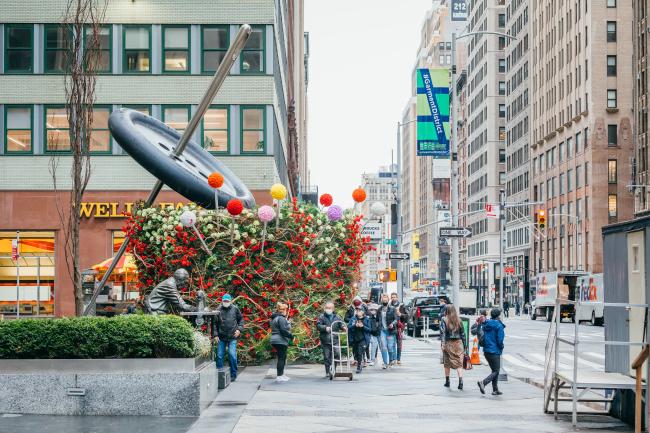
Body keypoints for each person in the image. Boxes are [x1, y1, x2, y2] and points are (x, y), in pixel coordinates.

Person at [212, 294, 244, 381]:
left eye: (227, 301)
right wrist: (215, 335)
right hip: (221, 337)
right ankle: (219, 374)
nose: (226, 302)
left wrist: (239, 330)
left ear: (230, 301)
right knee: (219, 355)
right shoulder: (218, 310)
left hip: (232, 336)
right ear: (222, 301)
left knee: (232, 355)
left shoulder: (235, 309)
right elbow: (214, 324)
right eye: (224, 301)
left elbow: (241, 319)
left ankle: (233, 374)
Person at [477, 308, 506, 396]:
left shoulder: (487, 323)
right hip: (494, 351)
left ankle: (495, 389)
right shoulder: (499, 326)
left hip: (486, 350)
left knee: (494, 370)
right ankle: (483, 383)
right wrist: (501, 347)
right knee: (496, 371)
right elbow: (500, 340)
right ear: (498, 316)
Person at [440, 304, 466, 390]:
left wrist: (443, 344)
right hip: (458, 343)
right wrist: (465, 346)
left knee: (447, 362)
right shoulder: (459, 320)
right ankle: (461, 381)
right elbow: (463, 334)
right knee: (459, 363)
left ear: (446, 311)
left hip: (448, 343)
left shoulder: (444, 319)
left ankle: (447, 381)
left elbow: (443, 333)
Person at [316, 301, 345, 377]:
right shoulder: (322, 317)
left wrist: (343, 327)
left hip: (335, 339)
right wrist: (325, 328)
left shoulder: (337, 317)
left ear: (333, 309)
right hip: (325, 340)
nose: (328, 309)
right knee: (327, 356)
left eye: (330, 308)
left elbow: (341, 324)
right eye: (327, 308)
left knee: (337, 354)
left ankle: (334, 369)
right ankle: (327, 371)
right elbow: (318, 326)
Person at [270, 302, 294, 382]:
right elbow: (283, 330)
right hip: (280, 340)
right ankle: (280, 376)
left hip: (275, 339)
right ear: (283, 310)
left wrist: (288, 323)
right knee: (281, 358)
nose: (286, 311)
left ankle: (281, 374)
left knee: (282, 357)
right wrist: (291, 336)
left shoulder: (275, 318)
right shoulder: (281, 318)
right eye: (286, 310)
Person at [377, 293, 398, 368]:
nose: (384, 300)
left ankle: (391, 360)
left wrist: (392, 324)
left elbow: (396, 319)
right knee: (383, 347)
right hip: (382, 330)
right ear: (381, 300)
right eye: (383, 299)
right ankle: (385, 363)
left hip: (390, 331)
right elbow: (377, 320)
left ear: (388, 300)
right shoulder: (379, 309)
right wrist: (377, 327)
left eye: (386, 299)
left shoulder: (392, 309)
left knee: (390, 347)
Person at [348, 308, 371, 374]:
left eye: (360, 311)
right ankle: (359, 363)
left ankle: (359, 367)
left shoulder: (366, 319)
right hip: (354, 339)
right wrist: (355, 325)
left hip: (363, 339)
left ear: (363, 312)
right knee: (357, 353)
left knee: (360, 352)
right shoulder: (353, 318)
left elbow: (369, 329)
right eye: (357, 311)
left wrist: (362, 326)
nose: (358, 312)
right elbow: (349, 327)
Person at [390, 293, 407, 365]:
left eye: (395, 297)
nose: (393, 298)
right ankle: (393, 359)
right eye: (392, 297)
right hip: (392, 327)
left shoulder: (402, 306)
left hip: (399, 327)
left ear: (397, 297)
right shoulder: (389, 305)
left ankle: (398, 359)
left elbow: (407, 316)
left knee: (399, 344)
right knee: (392, 344)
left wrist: (400, 314)